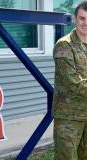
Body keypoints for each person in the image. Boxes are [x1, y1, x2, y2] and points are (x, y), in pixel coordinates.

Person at [52, 1, 87, 160]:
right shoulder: (64, 45)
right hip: (69, 117)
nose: (85, 23)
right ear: (74, 19)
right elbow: (74, 83)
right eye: (82, 18)